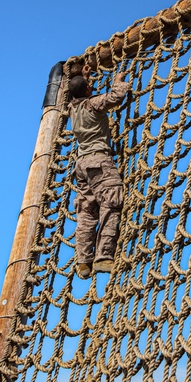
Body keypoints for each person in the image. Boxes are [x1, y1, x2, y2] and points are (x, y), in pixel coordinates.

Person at [67, 69, 129, 279]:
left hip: (81, 165)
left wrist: (86, 77)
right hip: (99, 160)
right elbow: (115, 97)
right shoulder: (92, 104)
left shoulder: (71, 109)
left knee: (86, 212)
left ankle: (83, 262)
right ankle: (103, 257)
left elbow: (81, 93)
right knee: (111, 202)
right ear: (86, 90)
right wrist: (118, 81)